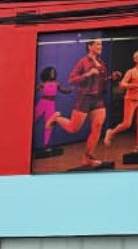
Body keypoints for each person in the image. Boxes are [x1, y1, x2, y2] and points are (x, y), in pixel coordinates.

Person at [47, 39, 122, 168]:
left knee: (98, 126)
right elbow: (71, 80)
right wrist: (87, 74)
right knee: (73, 128)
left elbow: (101, 79)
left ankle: (88, 158)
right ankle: (57, 118)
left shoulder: (102, 63)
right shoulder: (83, 62)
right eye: (97, 44)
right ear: (89, 46)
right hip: (85, 98)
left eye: (101, 44)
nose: (100, 46)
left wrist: (111, 77)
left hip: (98, 99)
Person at [104, 49, 138, 151]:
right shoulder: (131, 72)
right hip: (130, 99)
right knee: (127, 124)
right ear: (136, 59)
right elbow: (122, 84)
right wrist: (135, 85)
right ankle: (111, 132)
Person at [34, 66, 72, 148]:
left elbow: (63, 90)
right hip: (43, 103)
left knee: (49, 122)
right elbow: (34, 89)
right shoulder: (43, 84)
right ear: (47, 74)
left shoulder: (56, 83)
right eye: (51, 73)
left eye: (53, 73)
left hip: (51, 104)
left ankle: (46, 144)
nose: (52, 74)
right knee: (33, 118)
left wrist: (70, 90)